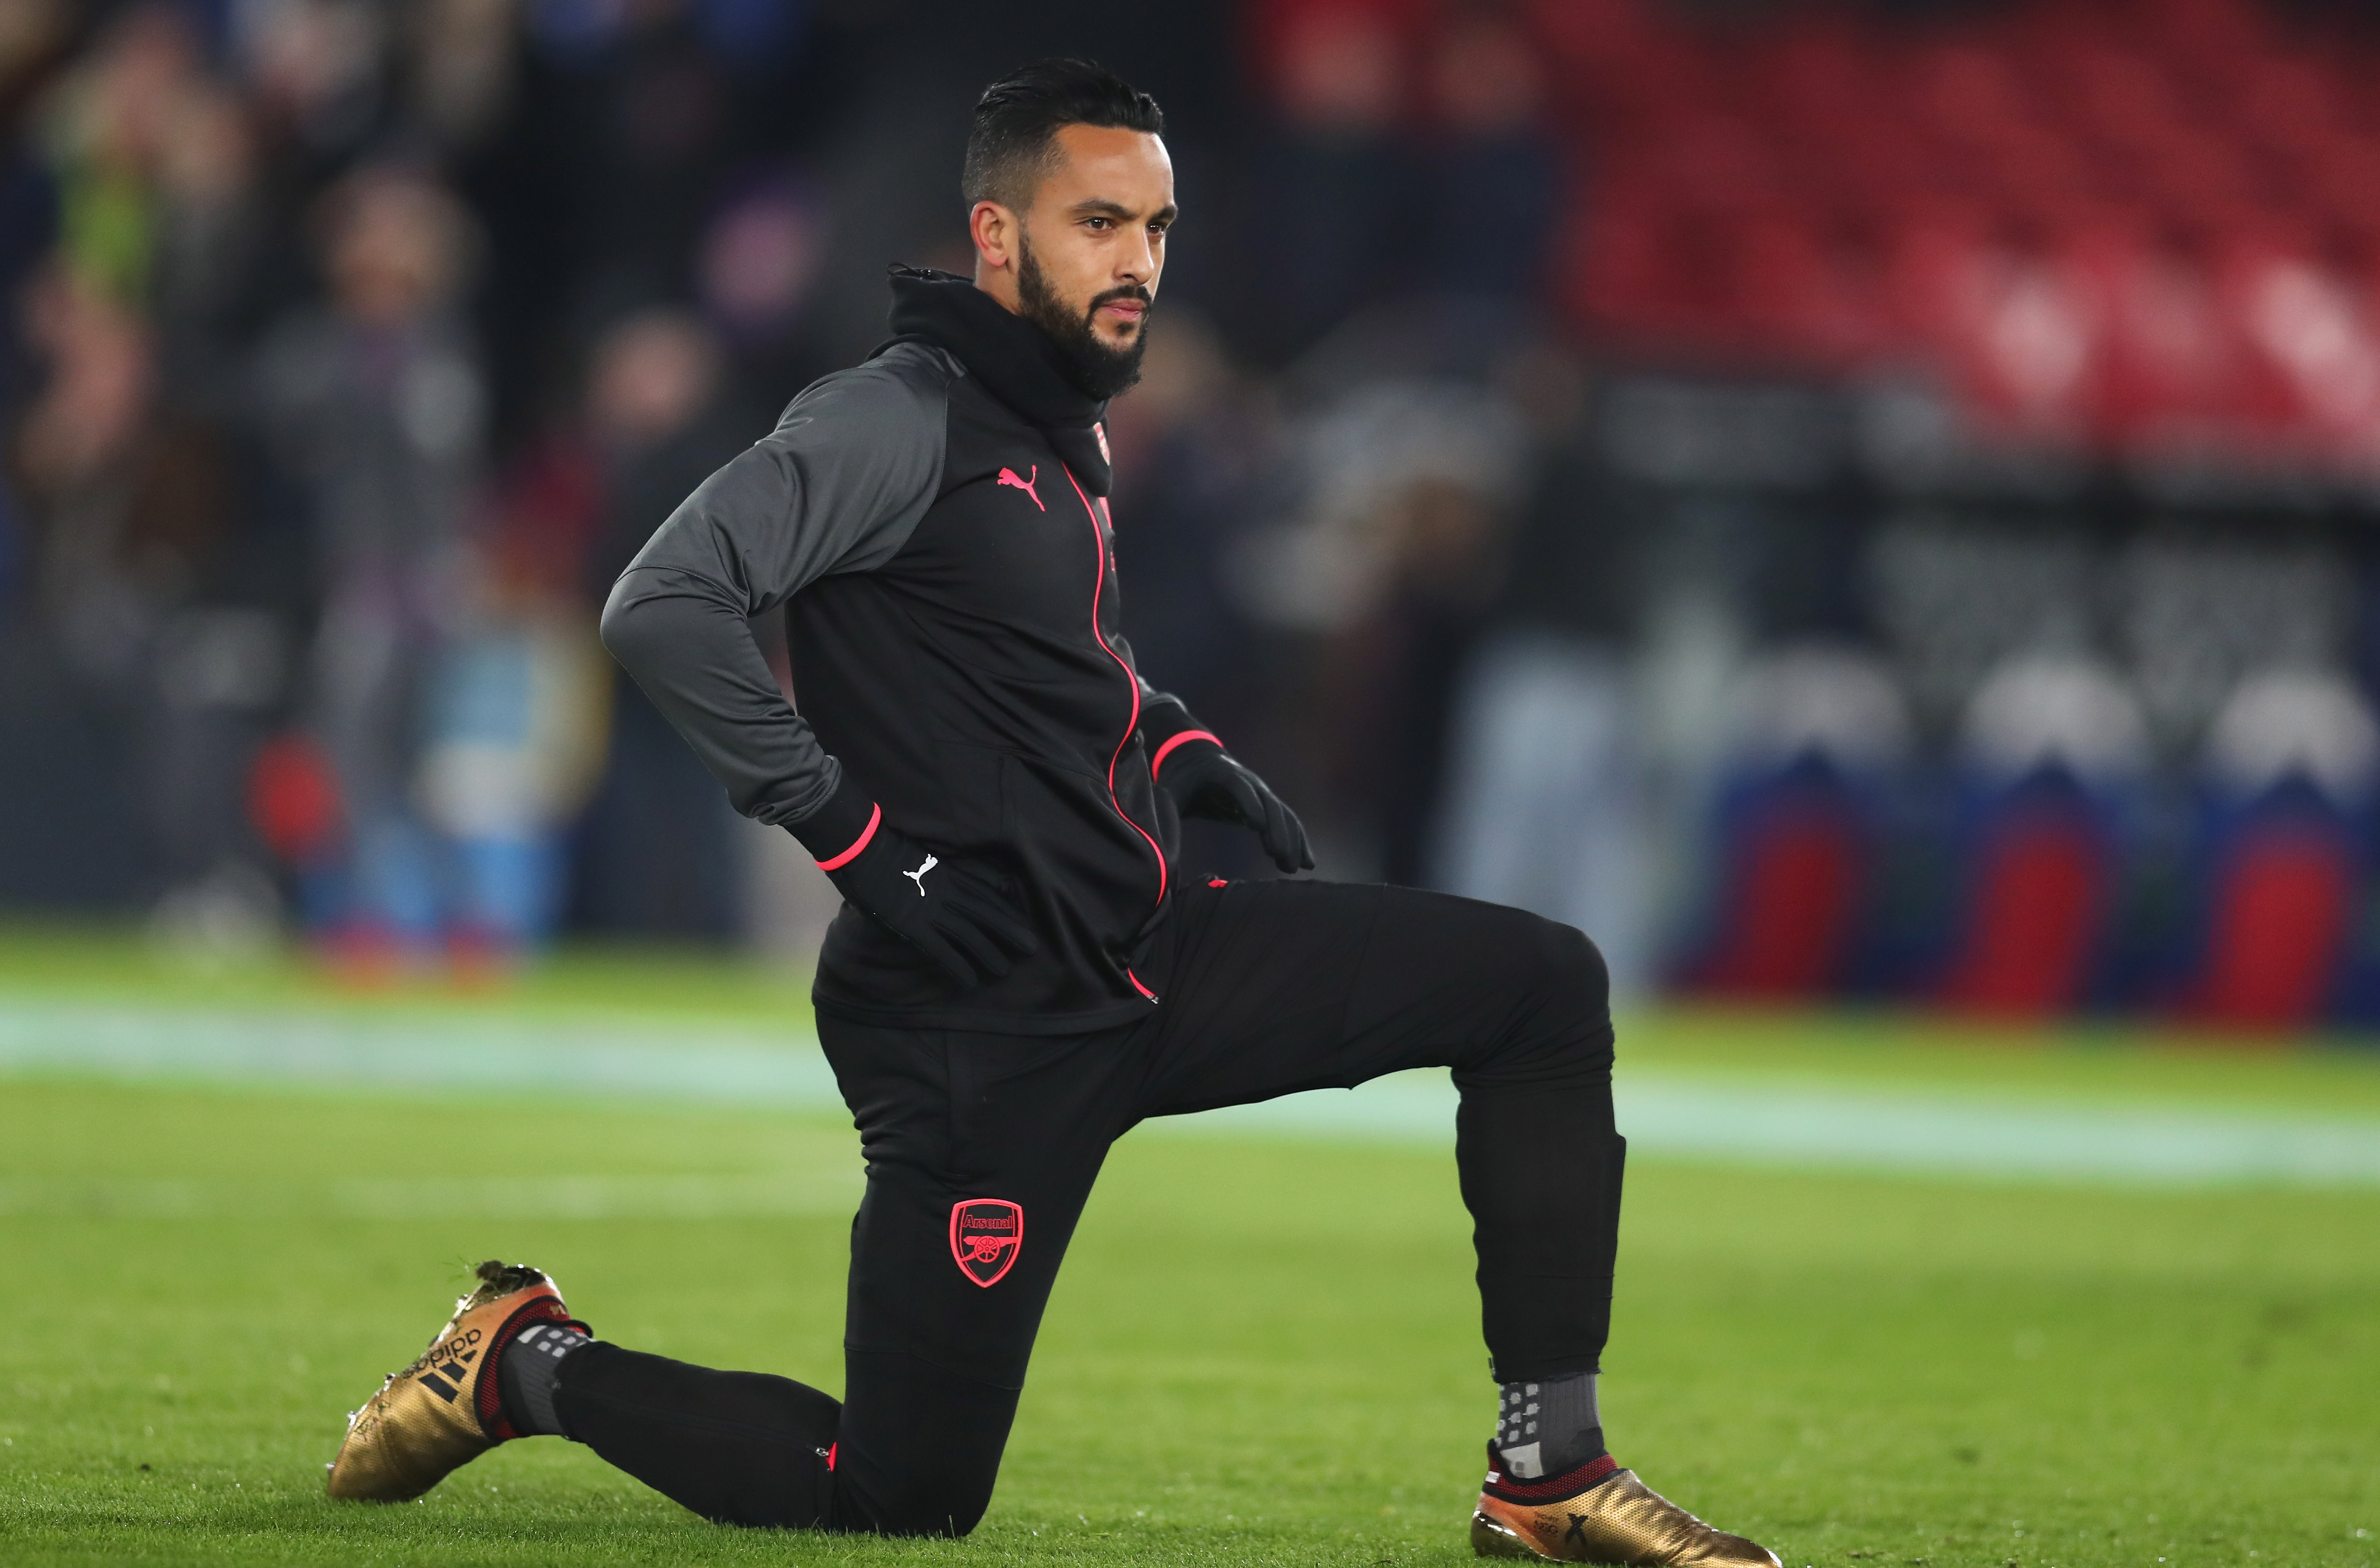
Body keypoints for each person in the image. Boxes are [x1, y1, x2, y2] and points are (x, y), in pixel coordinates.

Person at [322, 59, 1778, 1567]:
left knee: (1539, 985)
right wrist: (851, 837)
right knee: (896, 1499)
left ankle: (1547, 1471)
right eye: (1098, 222)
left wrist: (1171, 738)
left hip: (1146, 954)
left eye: (1154, 225)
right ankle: (522, 1359)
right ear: (997, 238)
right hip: (976, 1016)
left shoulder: (1052, 429)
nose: (1138, 259)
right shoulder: (895, 418)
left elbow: (1038, 667)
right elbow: (662, 604)